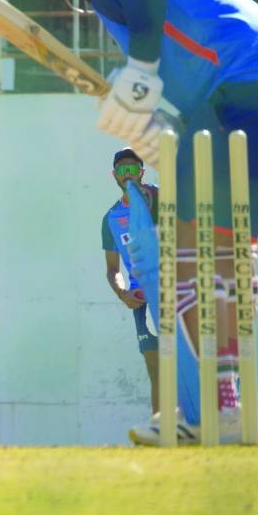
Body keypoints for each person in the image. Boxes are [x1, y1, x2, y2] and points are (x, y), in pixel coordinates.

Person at [51, 0, 258, 444]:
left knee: (189, 255)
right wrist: (155, 127)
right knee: (225, 253)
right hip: (255, 93)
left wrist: (137, 77)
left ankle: (220, 412)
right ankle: (223, 412)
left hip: (248, 94)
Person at [102, 147, 159, 414]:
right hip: (142, 300)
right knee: (156, 369)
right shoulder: (111, 218)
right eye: (122, 170)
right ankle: (163, 435)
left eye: (132, 169)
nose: (127, 175)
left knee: (186, 367)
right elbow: (112, 268)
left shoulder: (161, 198)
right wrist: (123, 293)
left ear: (142, 173)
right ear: (114, 175)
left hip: (176, 293)